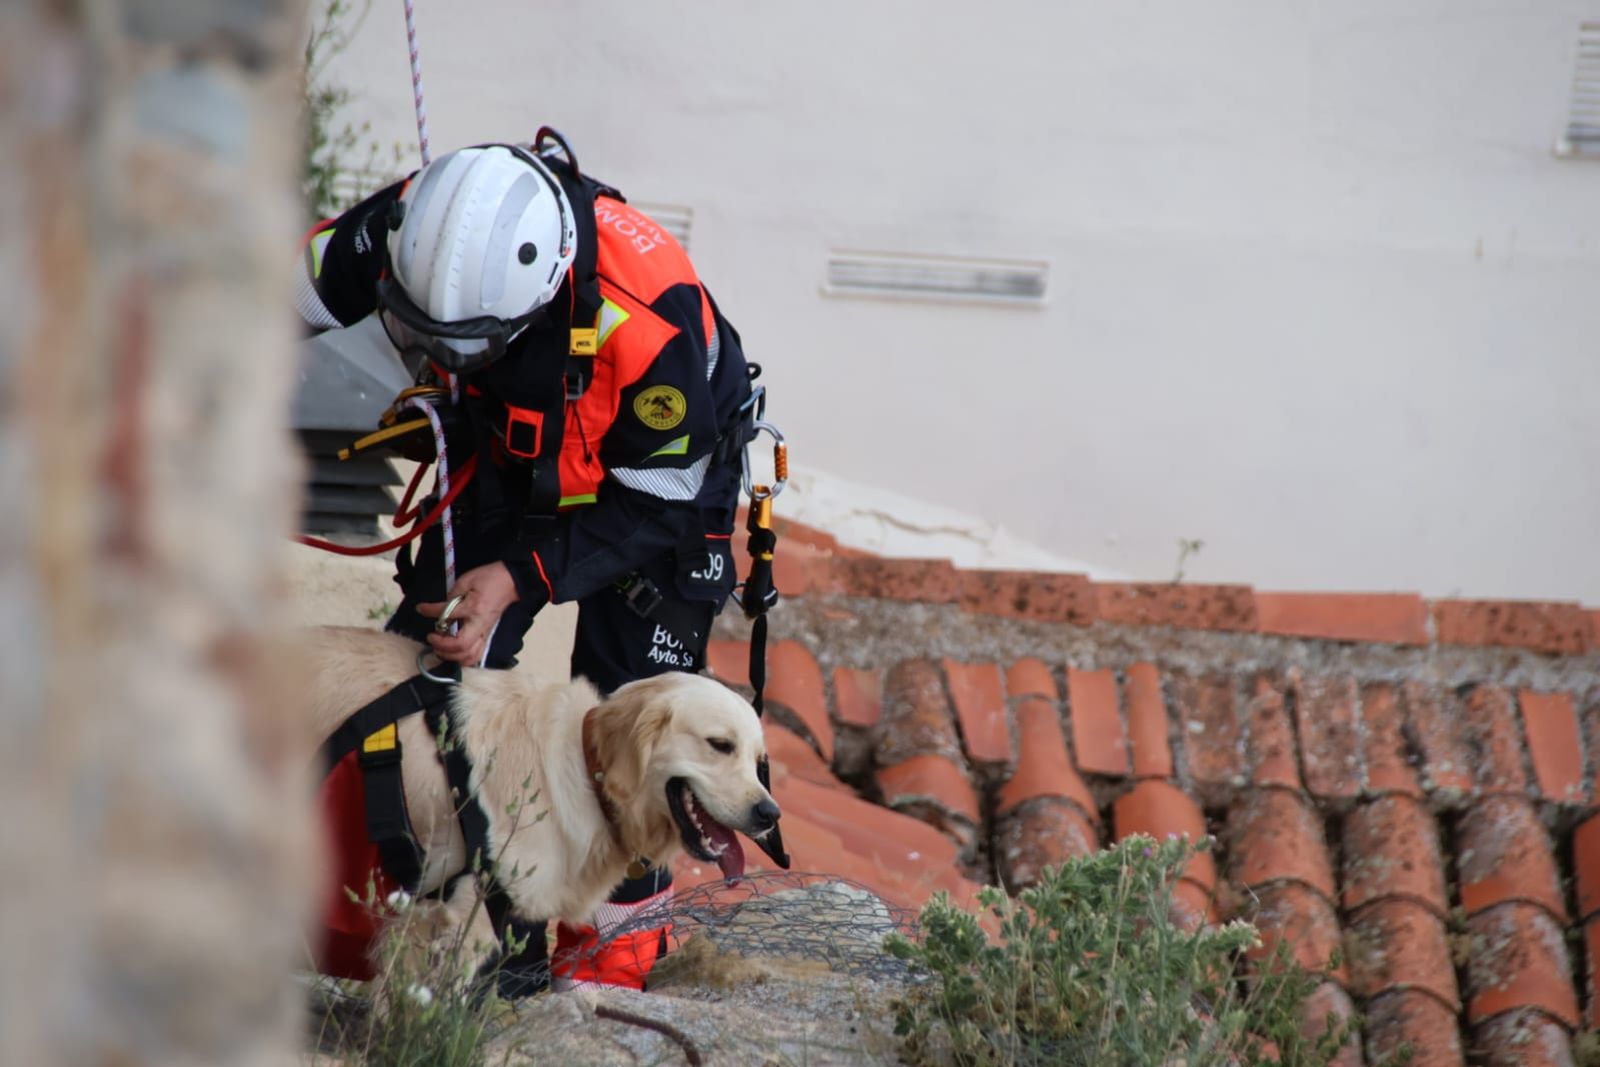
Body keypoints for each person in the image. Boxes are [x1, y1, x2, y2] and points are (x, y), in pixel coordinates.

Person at [295, 131, 770, 995]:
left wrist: (519, 574)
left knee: (635, 746)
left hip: (659, 493)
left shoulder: (648, 327)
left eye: (466, 341)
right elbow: (276, 299)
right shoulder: (409, 226)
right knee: (430, 676)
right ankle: (420, 932)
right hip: (512, 450)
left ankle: (600, 977)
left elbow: (654, 504)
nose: (446, 356)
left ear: (545, 289)